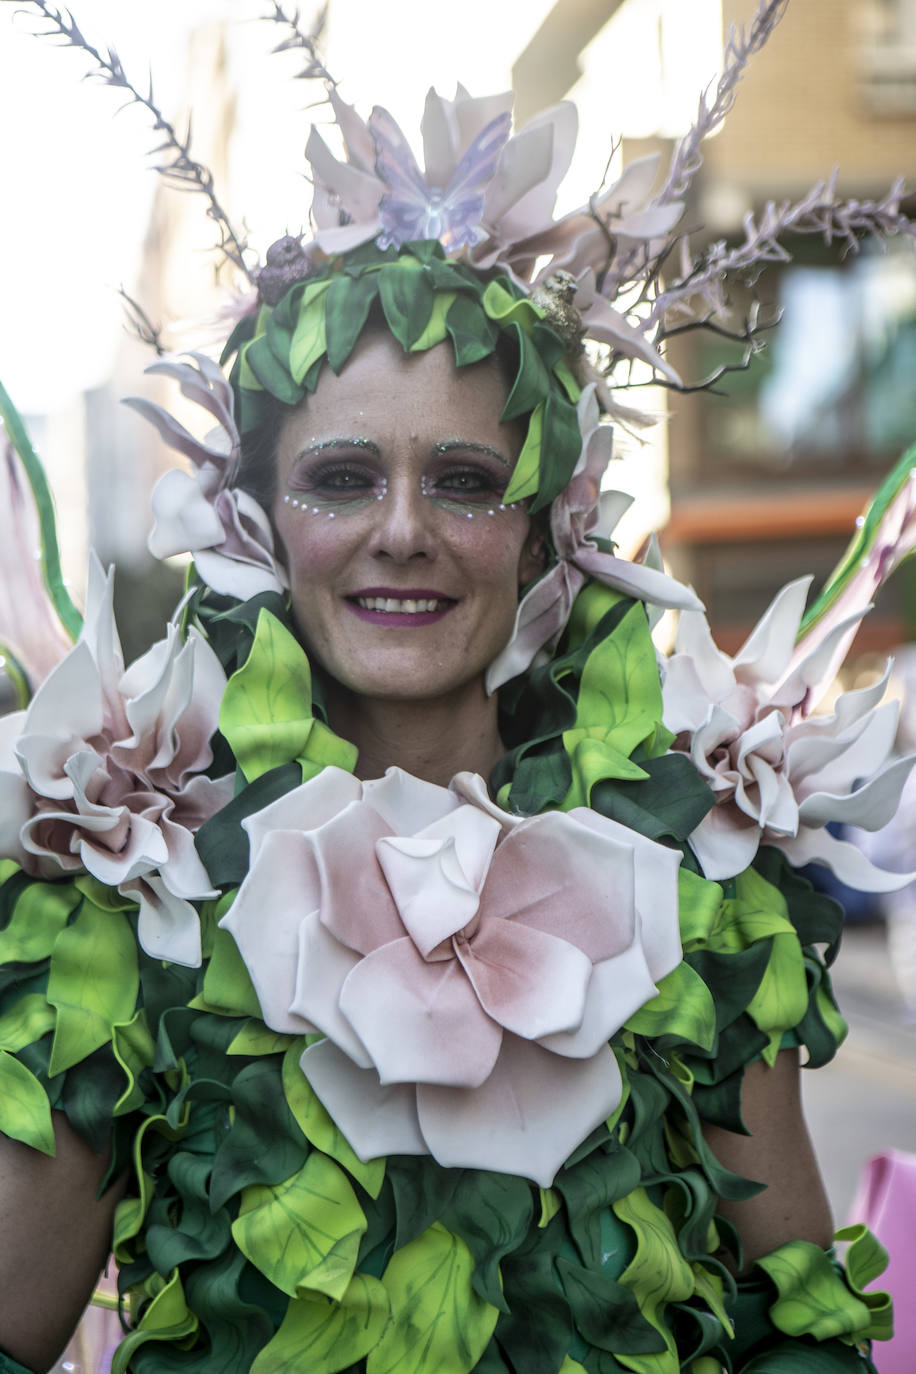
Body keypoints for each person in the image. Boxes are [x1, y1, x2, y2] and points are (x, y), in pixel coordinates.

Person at [0, 6, 912, 1371]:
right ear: (259, 520)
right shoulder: (134, 901)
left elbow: (797, 1324)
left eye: (468, 482)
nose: (404, 531)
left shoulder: (700, 886)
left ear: (553, 526)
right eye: (344, 477)